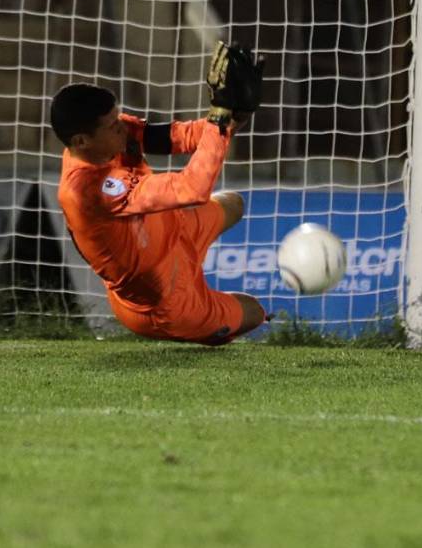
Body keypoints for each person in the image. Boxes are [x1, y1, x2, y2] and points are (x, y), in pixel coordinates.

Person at [51, 42, 267, 345]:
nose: (121, 127)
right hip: (163, 298)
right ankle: (205, 328)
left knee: (234, 203)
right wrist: (218, 120)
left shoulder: (110, 139)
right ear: (82, 141)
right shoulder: (90, 190)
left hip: (173, 228)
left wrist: (232, 116)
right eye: (112, 125)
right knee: (254, 312)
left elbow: (179, 136)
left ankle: (211, 316)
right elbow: (193, 189)